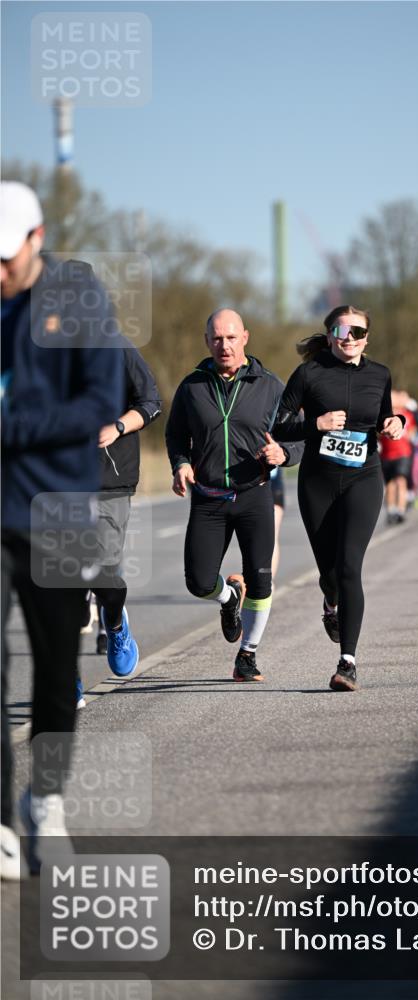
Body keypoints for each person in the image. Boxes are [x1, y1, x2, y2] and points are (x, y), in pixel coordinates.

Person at [1, 181, 124, 876]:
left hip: (56, 511)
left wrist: (10, 431)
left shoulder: (77, 303)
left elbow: (98, 406)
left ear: (36, 240)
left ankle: (44, 800)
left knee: (55, 673)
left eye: (5, 259)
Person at [270, 305, 404, 692]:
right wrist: (317, 424)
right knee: (329, 574)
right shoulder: (309, 373)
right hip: (318, 481)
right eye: (342, 331)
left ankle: (348, 662)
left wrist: (397, 423)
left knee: (349, 568)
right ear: (329, 335)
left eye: (358, 332)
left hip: (364, 477)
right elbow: (278, 423)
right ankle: (330, 603)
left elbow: (386, 418)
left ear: (367, 337)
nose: (350, 338)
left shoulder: (380, 374)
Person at [165, 308, 302, 681]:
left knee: (261, 580)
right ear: (207, 341)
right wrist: (180, 463)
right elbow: (176, 434)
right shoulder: (192, 386)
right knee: (198, 581)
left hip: (254, 494)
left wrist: (285, 454)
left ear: (245, 337)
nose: (223, 345)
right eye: (216, 338)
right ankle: (228, 598)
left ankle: (248, 655)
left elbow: (298, 437)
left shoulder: (271, 386)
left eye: (230, 337)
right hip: (209, 498)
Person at [76, 343, 161, 706]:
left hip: (110, 480)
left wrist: (119, 426)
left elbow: (151, 402)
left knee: (105, 574)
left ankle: (114, 623)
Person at [380, 389, 416, 525]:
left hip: (403, 453)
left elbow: (413, 431)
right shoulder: (383, 416)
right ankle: (391, 511)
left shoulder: (406, 415)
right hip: (387, 454)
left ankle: (401, 511)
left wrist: (409, 434)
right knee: (390, 483)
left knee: (401, 480)